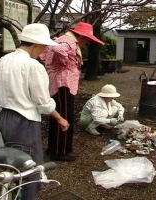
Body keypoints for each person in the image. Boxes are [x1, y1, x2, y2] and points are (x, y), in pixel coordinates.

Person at [0, 23, 69, 200]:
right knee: (30, 166)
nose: (44, 50)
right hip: (23, 120)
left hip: (5, 117)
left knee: (11, 161)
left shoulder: (4, 60)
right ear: (35, 44)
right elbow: (42, 101)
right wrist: (59, 118)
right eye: (43, 46)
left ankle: (10, 194)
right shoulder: (32, 66)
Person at [40, 22, 104, 161]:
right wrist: (62, 63)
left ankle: (54, 148)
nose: (87, 42)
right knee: (63, 116)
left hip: (62, 83)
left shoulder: (66, 40)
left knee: (59, 115)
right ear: (81, 36)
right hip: (63, 84)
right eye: (87, 39)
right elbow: (57, 50)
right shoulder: (69, 41)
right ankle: (59, 151)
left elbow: (45, 54)